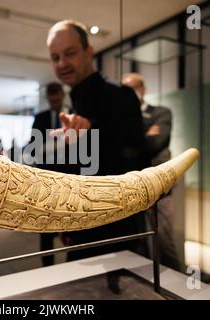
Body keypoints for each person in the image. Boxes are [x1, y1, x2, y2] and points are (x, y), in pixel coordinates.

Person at [46, 20, 149, 260]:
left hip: (116, 231)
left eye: (70, 53)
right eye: (55, 57)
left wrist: (93, 130)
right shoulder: (76, 99)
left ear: (88, 51)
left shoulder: (120, 95)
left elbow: (136, 158)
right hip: (82, 226)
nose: (62, 63)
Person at [122, 73, 182, 271]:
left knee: (163, 239)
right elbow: (123, 148)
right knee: (137, 239)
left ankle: (176, 284)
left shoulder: (161, 112)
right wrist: (143, 135)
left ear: (143, 88)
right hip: (133, 185)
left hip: (159, 186)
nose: (130, 93)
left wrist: (133, 140)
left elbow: (155, 142)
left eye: (133, 87)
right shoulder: (125, 118)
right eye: (126, 89)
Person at [30, 82, 74, 266]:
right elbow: (33, 148)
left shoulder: (73, 116)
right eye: (51, 99)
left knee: (72, 224)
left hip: (69, 179)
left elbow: (80, 146)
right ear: (48, 98)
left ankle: (73, 265)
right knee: (46, 227)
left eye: (57, 99)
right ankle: (46, 268)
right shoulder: (40, 118)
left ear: (62, 96)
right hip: (47, 180)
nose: (54, 102)